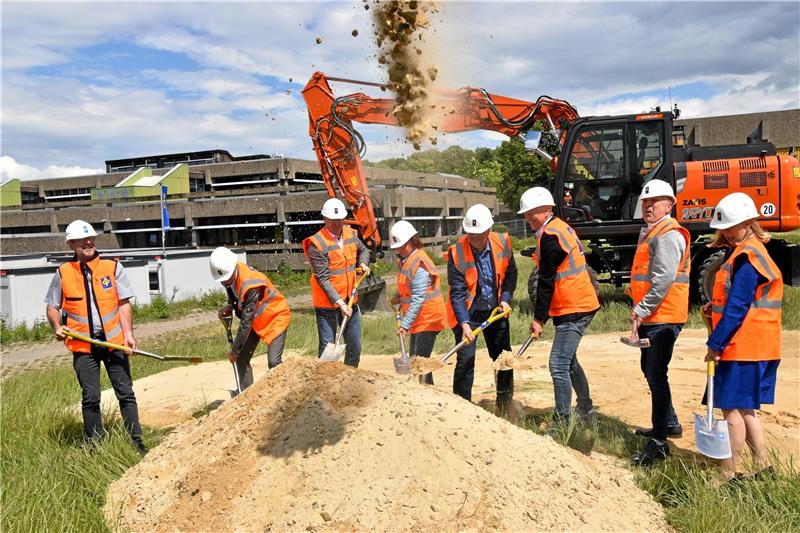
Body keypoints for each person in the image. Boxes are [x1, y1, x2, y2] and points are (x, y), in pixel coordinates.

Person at [44, 220, 147, 456]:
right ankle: (95, 445)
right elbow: (52, 306)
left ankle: (136, 441)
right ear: (71, 245)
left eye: (91, 239)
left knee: (126, 393)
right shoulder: (63, 273)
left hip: (113, 342)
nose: (89, 243)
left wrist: (129, 335)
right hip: (83, 346)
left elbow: (124, 304)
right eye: (82, 241)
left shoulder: (112, 268)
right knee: (90, 397)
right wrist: (57, 326)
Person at [703, 192, 782, 481]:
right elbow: (736, 302)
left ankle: (726, 474)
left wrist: (715, 344)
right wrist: (715, 306)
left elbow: (737, 308)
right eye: (723, 227)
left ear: (749, 222)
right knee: (746, 408)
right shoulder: (747, 252)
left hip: (744, 346)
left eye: (732, 226)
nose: (726, 232)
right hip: (756, 345)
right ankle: (763, 466)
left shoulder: (748, 258)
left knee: (731, 412)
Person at [519, 187, 600, 428]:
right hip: (575, 304)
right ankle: (586, 410)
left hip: (574, 306)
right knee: (569, 361)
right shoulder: (556, 229)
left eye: (530, 213)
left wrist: (538, 319)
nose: (526, 218)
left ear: (545, 210)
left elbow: (546, 281)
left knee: (558, 364)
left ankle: (562, 422)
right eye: (525, 214)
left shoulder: (551, 236)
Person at [628, 179, 690, 466]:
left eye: (654, 202)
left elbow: (663, 279)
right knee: (650, 370)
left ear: (670, 205)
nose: (648, 206)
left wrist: (641, 309)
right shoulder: (654, 231)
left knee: (655, 372)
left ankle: (659, 440)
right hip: (655, 315)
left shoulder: (667, 234)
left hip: (663, 316)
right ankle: (669, 423)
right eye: (645, 202)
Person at [446, 203, 517, 413]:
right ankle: (462, 408)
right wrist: (465, 324)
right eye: (470, 235)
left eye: (479, 235)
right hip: (469, 313)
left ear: (488, 230)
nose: (474, 240)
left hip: (496, 309)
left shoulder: (502, 242)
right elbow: (457, 292)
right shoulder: (457, 252)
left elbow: (511, 275)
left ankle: (505, 406)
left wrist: (505, 298)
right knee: (466, 359)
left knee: (504, 357)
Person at [210, 247, 291, 391]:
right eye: (222, 280)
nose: (225, 282)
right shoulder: (229, 275)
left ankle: (283, 394)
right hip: (256, 321)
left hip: (275, 317)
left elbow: (245, 323)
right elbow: (234, 292)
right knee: (242, 358)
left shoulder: (251, 284)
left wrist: (234, 350)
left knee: (274, 362)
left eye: (226, 278)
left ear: (233, 267)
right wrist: (230, 305)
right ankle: (247, 394)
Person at [303, 198, 370, 367]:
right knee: (328, 346)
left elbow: (364, 250)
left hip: (350, 300)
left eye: (339, 219)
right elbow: (323, 278)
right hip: (328, 305)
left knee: (355, 345)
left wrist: (363, 263)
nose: (336, 223)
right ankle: (323, 384)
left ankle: (348, 381)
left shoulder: (350, 234)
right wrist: (340, 304)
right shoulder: (316, 244)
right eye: (332, 220)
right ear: (325, 219)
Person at [388, 220, 447, 385]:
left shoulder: (419, 263)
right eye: (396, 247)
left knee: (419, 364)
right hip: (420, 319)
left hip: (428, 318)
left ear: (412, 241)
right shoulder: (407, 259)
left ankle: (428, 399)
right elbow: (410, 289)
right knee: (418, 361)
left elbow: (419, 297)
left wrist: (405, 325)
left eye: (402, 245)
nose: (399, 250)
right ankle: (425, 394)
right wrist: (398, 296)